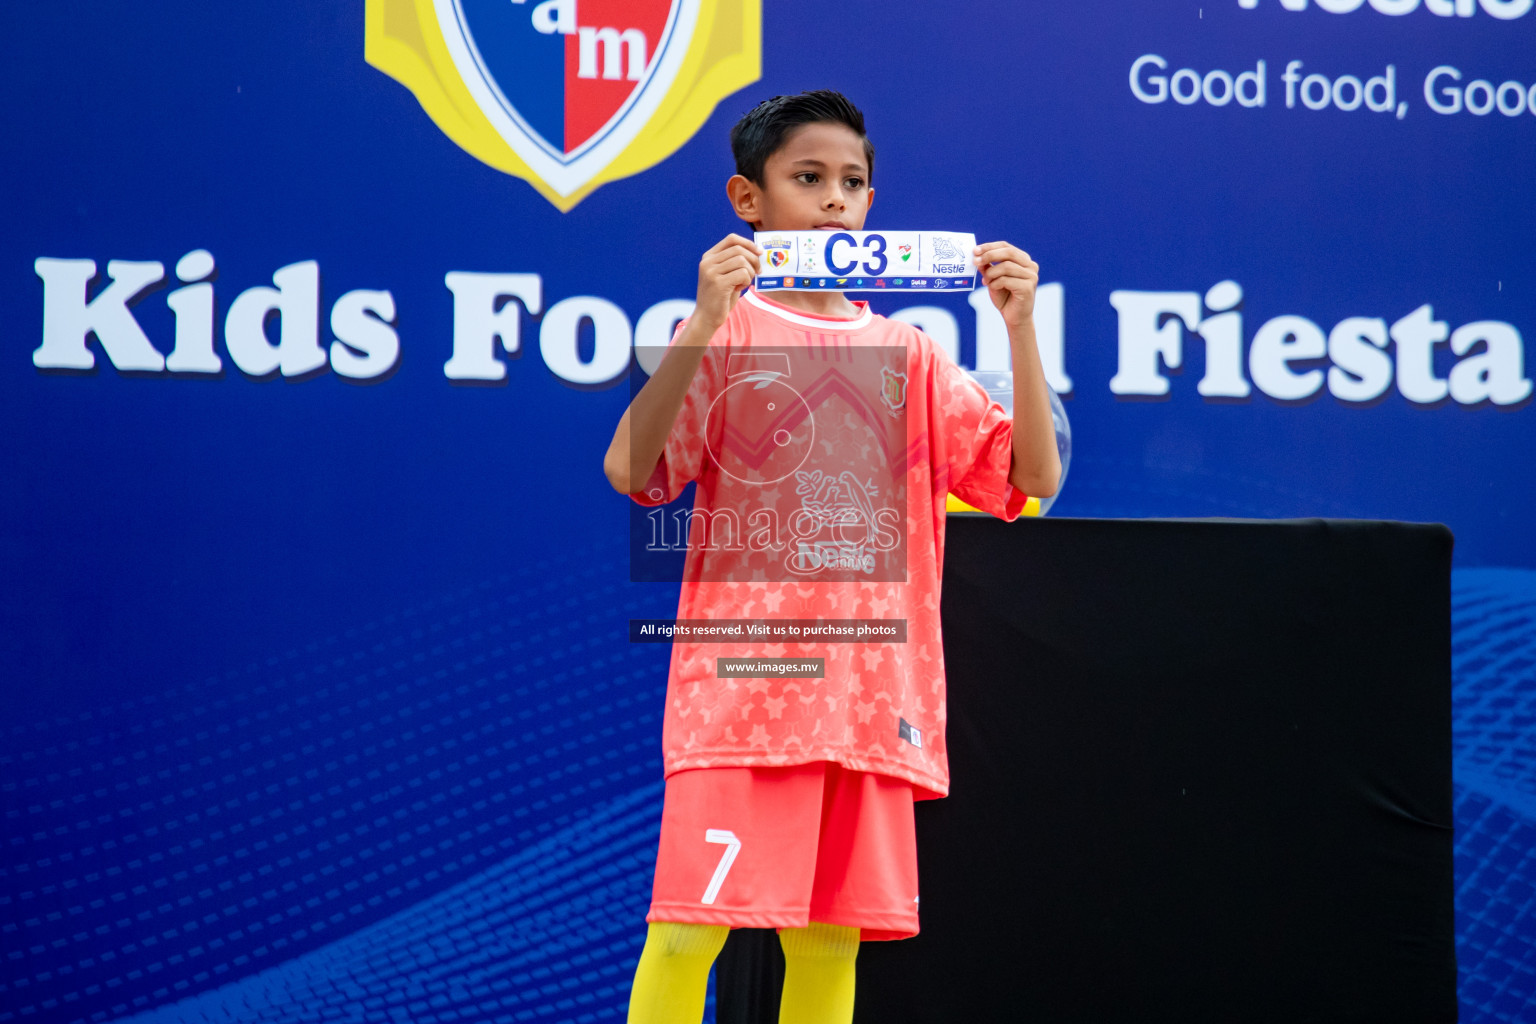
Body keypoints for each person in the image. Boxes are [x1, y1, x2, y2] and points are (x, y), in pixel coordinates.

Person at [603, 90, 1060, 1024]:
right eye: (807, 179)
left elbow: (1029, 481)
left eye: (852, 182)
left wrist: (1019, 323)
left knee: (828, 941)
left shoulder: (914, 352)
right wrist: (700, 319)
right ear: (748, 199)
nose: (835, 200)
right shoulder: (724, 338)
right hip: (739, 697)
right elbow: (631, 469)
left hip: (867, 706)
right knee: (687, 930)